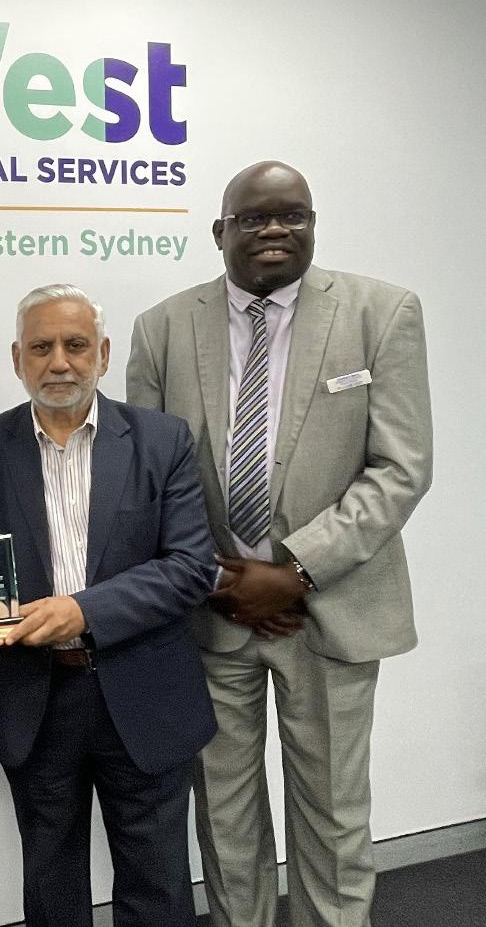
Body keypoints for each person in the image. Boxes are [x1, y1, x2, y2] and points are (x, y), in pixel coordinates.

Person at [126, 161, 433, 927]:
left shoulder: (382, 312)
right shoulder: (162, 328)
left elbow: (401, 467)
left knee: (334, 813)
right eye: (255, 217)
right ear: (219, 230)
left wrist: (295, 569)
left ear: (313, 224)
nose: (274, 229)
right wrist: (220, 581)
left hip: (332, 611)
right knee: (225, 819)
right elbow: (148, 480)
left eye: (293, 215)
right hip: (212, 616)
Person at [0, 283, 217, 927]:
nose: (59, 362)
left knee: (157, 883)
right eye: (41, 347)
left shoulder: (162, 440)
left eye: (75, 345)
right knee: (50, 884)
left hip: (144, 690)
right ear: (17, 359)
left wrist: (83, 612)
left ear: (103, 353)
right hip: (32, 699)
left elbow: (191, 567)